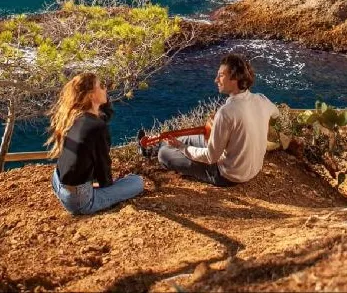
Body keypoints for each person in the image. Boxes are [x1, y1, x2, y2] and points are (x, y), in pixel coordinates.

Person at [158, 52, 279, 187]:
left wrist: (182, 148)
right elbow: (276, 114)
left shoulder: (226, 112)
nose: (216, 80)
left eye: (221, 75)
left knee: (164, 154)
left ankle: (156, 149)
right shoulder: (262, 99)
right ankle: (153, 147)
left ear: (235, 78)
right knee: (184, 139)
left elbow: (211, 157)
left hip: (228, 175)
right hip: (253, 170)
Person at [49, 72, 143, 215]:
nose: (106, 89)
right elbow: (103, 168)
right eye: (101, 86)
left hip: (57, 182)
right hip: (79, 201)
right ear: (91, 95)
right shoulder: (97, 127)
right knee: (137, 182)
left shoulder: (74, 116)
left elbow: (104, 114)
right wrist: (111, 185)